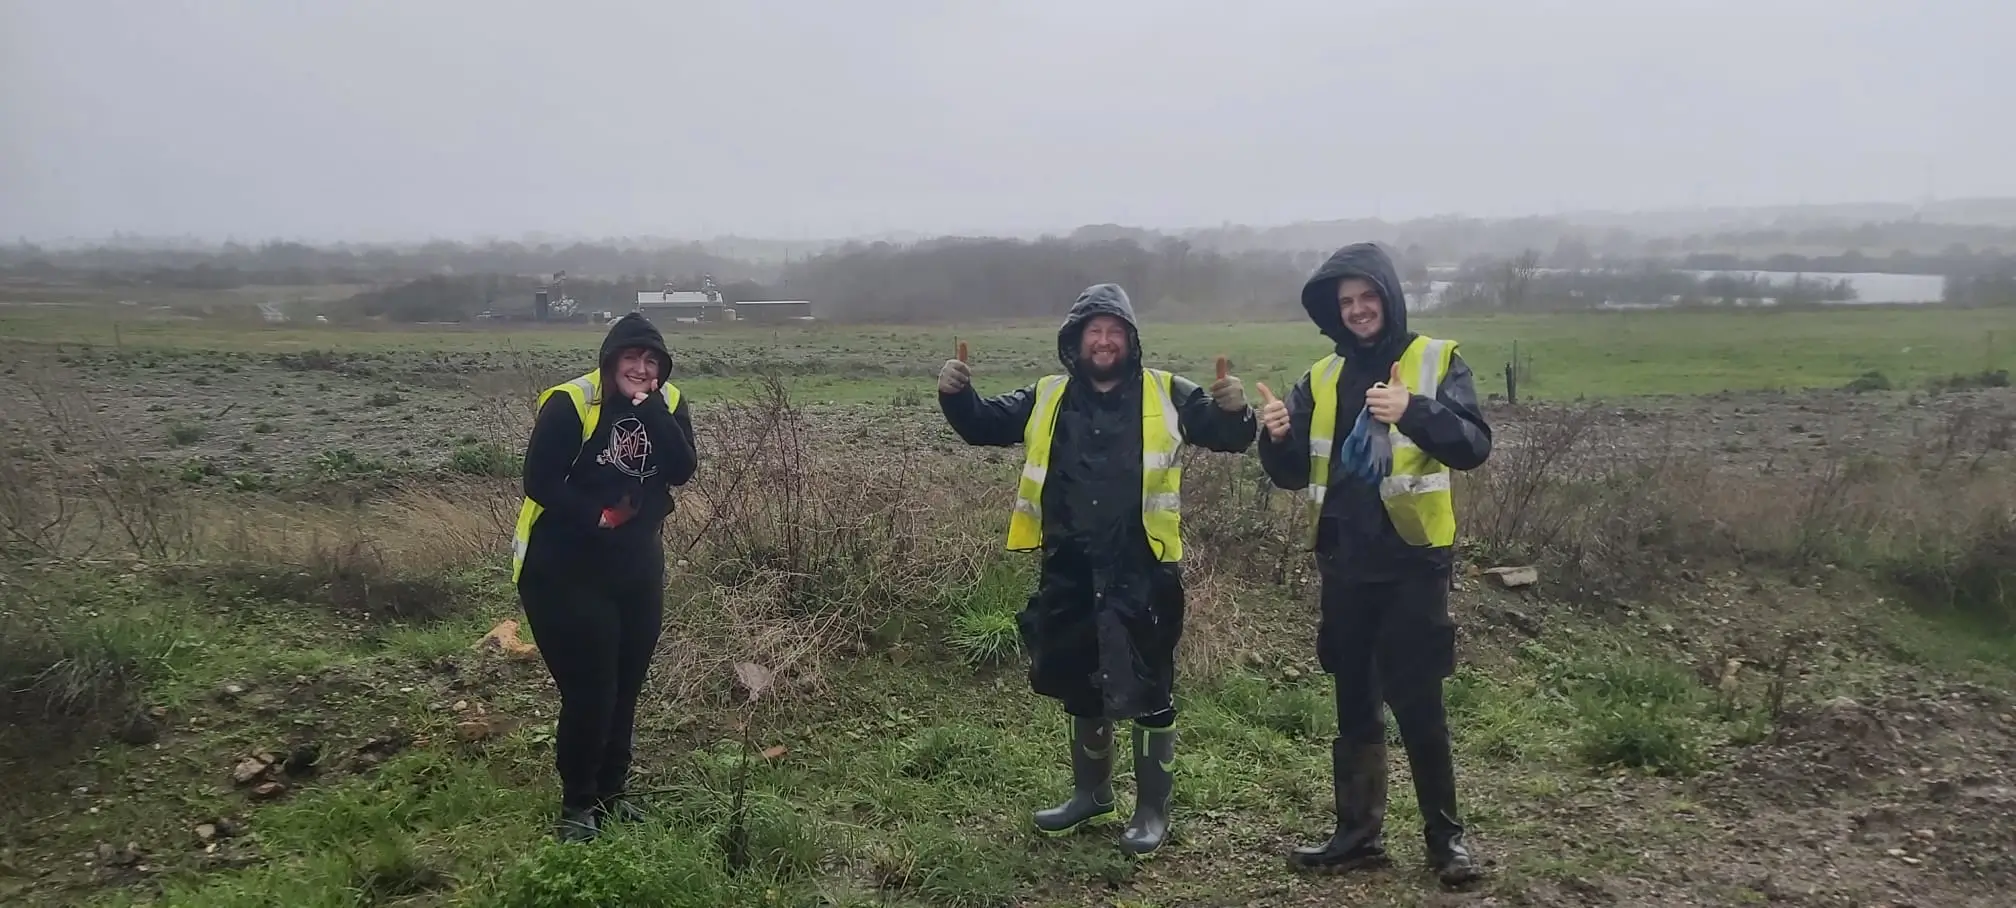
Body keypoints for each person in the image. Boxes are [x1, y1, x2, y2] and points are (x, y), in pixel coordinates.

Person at [937, 283, 1257, 856]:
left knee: (1151, 687)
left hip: (1145, 571)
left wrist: (1236, 409)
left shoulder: (1168, 391)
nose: (1104, 341)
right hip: (1069, 569)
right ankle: (1093, 796)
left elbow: (1229, 436)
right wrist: (956, 396)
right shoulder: (1048, 395)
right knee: (1081, 683)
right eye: (1094, 332)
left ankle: (1152, 812)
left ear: (1130, 341)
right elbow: (983, 423)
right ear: (1076, 342)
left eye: (1114, 332)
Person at [1254, 242, 1492, 885]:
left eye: (1368, 297)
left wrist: (1412, 410)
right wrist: (1274, 435)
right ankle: (1357, 835)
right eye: (1346, 302)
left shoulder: (1435, 359)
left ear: (1388, 297)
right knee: (1354, 702)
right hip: (1344, 564)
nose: (1358, 310)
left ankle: (1447, 844)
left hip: (1413, 564)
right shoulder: (1322, 377)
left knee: (1419, 703)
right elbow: (1290, 471)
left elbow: (1474, 445)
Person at [510, 312, 698, 842]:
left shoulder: (672, 401)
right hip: (563, 568)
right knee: (592, 688)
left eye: (651, 361)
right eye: (631, 359)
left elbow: (683, 470)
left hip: (635, 569)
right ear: (610, 360)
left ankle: (614, 795)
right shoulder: (571, 403)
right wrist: (594, 516)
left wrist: (656, 411)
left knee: (626, 687)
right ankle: (577, 806)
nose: (641, 369)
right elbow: (539, 480)